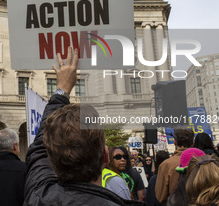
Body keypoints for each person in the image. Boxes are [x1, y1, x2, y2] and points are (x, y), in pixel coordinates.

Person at [24, 47, 145, 206]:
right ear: (106, 155)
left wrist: (62, 91)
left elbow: (39, 148)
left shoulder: (38, 195)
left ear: (52, 158)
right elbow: (40, 150)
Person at [155, 128, 194, 204]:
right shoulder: (201, 162)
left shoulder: (166, 165)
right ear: (193, 143)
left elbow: (160, 196)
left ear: (174, 142)